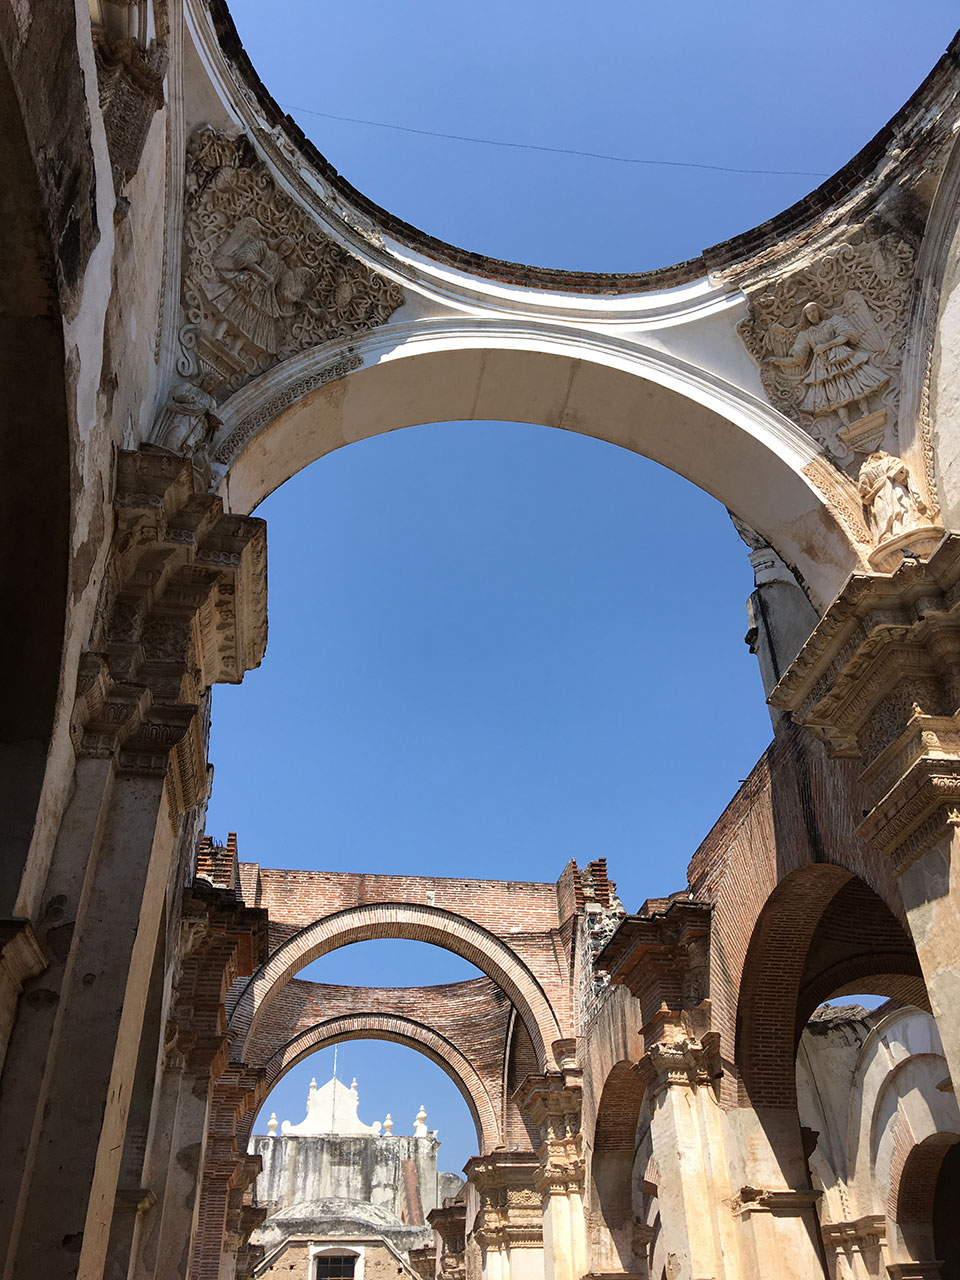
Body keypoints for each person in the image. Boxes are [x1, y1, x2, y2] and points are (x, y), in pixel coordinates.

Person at [774, 301, 888, 426]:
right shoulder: (806, 334)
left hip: (840, 356)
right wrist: (777, 360)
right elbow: (800, 358)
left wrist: (826, 346)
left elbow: (846, 335)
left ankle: (866, 412)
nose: (811, 314)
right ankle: (846, 423)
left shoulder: (832, 321)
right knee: (834, 392)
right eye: (808, 313)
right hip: (824, 366)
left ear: (819, 311)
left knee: (854, 382)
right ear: (805, 317)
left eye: (813, 311)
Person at [857, 450, 926, 543]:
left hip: (879, 494)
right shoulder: (890, 460)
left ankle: (886, 535)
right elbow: (903, 471)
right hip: (895, 488)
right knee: (900, 508)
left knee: (883, 513)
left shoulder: (866, 470)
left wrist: (868, 490)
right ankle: (903, 528)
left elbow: (862, 487)